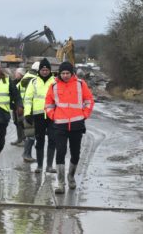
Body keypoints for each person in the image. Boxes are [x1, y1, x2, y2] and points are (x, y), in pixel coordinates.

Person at [45, 61, 94, 194]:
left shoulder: (80, 84)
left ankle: (71, 176)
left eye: (67, 73)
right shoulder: (53, 86)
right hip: (60, 124)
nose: (65, 75)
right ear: (59, 73)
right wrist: (53, 115)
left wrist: (84, 115)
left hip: (77, 125)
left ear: (72, 73)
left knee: (75, 153)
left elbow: (89, 100)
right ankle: (60, 182)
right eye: (63, 73)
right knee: (60, 152)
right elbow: (48, 103)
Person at [24, 58, 56, 174]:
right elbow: (27, 98)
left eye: (47, 69)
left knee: (52, 140)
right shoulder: (33, 82)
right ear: (39, 70)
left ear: (50, 70)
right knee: (39, 140)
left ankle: (49, 166)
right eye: (42, 69)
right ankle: (40, 166)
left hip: (52, 115)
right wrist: (27, 113)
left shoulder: (55, 82)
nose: (45, 71)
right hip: (38, 116)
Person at [20, 62, 39, 163]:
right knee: (31, 134)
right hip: (30, 109)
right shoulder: (33, 79)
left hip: (27, 108)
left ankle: (27, 154)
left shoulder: (27, 76)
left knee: (30, 133)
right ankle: (26, 154)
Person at [10, 68, 27, 146]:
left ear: (21, 74)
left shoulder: (24, 83)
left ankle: (23, 140)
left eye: (17, 73)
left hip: (21, 107)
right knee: (17, 123)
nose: (15, 75)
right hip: (15, 106)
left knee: (21, 123)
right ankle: (19, 139)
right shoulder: (14, 82)